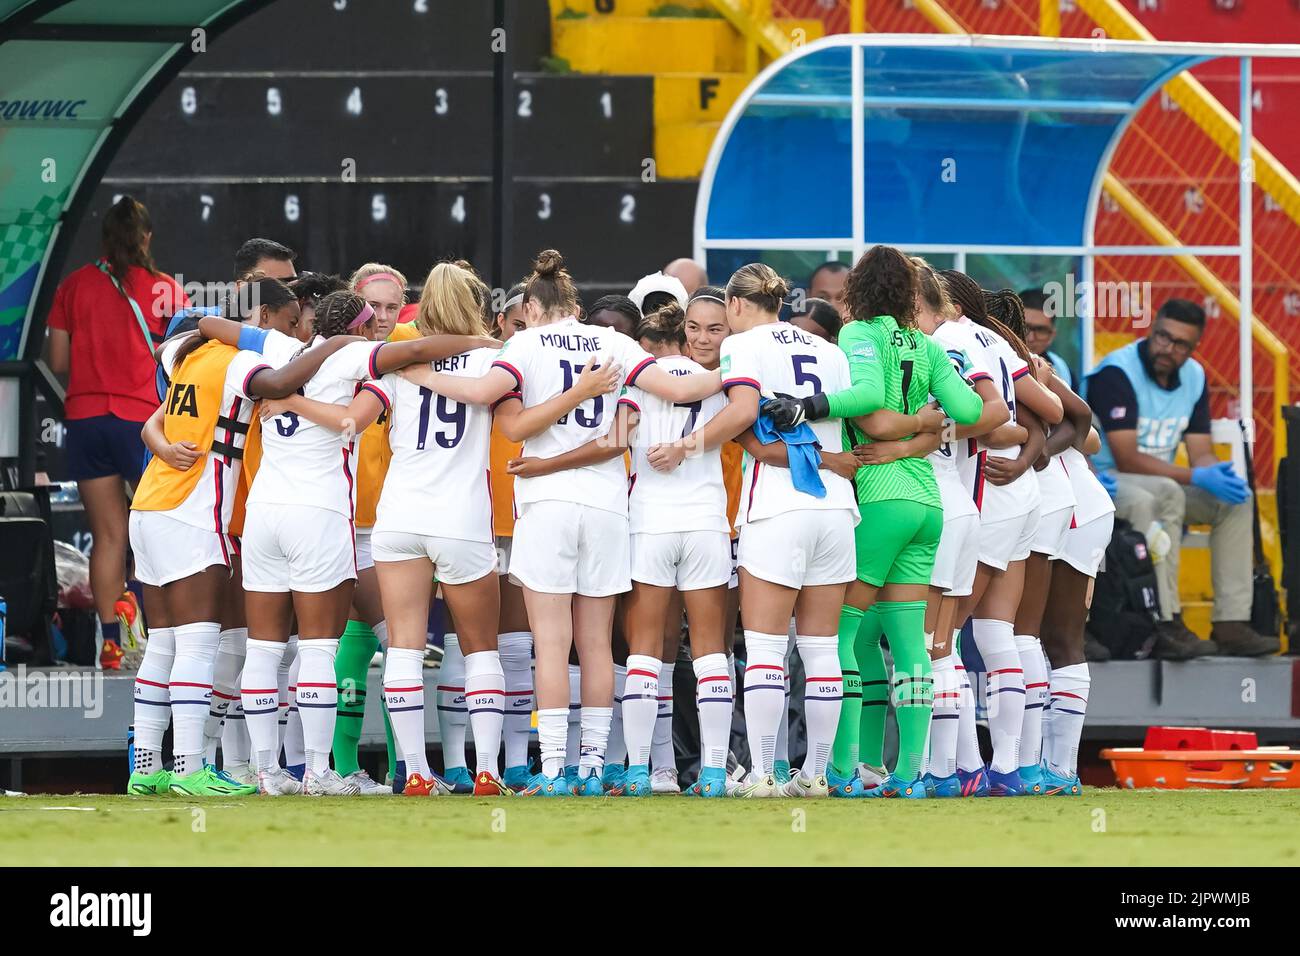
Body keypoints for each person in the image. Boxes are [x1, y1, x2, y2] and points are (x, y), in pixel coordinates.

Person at [399, 249, 722, 797]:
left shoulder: (521, 345)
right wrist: (738, 371)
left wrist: (412, 369)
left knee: (551, 644)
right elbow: (676, 392)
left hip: (546, 505)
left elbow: (494, 409)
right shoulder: (617, 343)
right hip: (606, 507)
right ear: (574, 303)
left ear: (530, 306)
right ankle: (592, 767)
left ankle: (551, 770)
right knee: (596, 643)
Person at [764, 247, 985, 798]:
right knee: (907, 643)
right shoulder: (929, 345)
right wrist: (920, 429)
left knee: (838, 632)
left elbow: (863, 398)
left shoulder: (861, 334)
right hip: (927, 501)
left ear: (858, 289)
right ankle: (910, 774)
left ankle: (840, 770)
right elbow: (970, 411)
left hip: (879, 500)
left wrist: (808, 407)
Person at [127, 277, 358, 797]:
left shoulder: (185, 356)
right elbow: (278, 385)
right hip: (194, 507)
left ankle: (145, 767)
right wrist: (340, 345)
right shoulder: (240, 362)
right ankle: (188, 770)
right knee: (198, 642)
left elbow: (152, 419)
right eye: (288, 320)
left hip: (148, 503)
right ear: (266, 318)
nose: (294, 332)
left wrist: (159, 444)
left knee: (162, 643)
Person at [658, 262, 858, 798]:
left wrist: (687, 443)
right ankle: (816, 776)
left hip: (776, 507)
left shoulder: (743, 346)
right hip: (837, 508)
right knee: (821, 651)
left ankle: (766, 774)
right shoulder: (831, 352)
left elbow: (742, 409)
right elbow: (851, 422)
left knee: (767, 650)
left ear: (737, 305)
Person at [1084, 299, 1278, 657]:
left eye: (1179, 344)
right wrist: (1196, 473)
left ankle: (1231, 623)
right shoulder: (1117, 372)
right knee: (1163, 493)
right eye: (1161, 337)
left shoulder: (1195, 376)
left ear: (1194, 348)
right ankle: (1165, 617)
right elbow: (1127, 456)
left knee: (1236, 501)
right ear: (1152, 329)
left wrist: (1212, 470)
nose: (1167, 349)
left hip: (1166, 482)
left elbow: (1200, 448)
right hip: (1113, 480)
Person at [45, 196, 190, 670]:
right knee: (163, 530)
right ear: (146, 237)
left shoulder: (74, 286)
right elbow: (188, 362)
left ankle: (112, 643)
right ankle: (165, 639)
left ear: (104, 236)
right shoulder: (166, 290)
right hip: (144, 423)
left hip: (86, 421)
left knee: (108, 535)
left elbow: (59, 363)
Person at [940, 269, 1065, 796]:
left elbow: (984, 420)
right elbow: (1054, 411)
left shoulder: (943, 340)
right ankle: (1012, 768)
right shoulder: (993, 337)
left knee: (940, 640)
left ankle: (961, 768)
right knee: (999, 634)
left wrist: (1004, 438)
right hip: (1019, 496)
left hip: (988, 493)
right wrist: (1024, 445)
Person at [1019, 288, 1073, 388]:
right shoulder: (990, 360)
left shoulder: (1062, 370)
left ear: (1052, 335)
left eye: (1040, 330)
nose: (1030, 338)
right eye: (1024, 327)